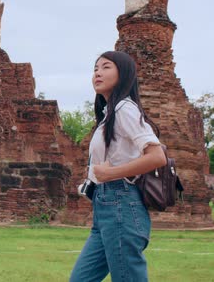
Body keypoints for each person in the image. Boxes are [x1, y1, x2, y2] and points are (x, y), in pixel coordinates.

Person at [70, 51, 167, 282]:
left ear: (123, 74)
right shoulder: (109, 114)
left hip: (122, 204)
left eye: (106, 67)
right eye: (95, 68)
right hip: (104, 206)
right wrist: (91, 182)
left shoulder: (125, 109)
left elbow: (157, 156)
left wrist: (110, 173)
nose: (97, 73)